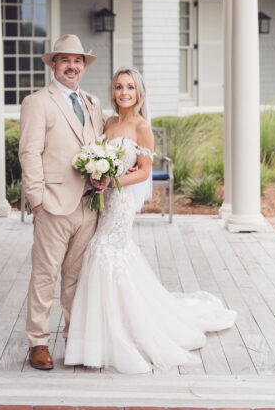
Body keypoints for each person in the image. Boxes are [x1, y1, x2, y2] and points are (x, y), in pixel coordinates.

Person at [64, 67, 237, 374]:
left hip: (121, 202)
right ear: (113, 91)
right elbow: (97, 155)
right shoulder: (110, 122)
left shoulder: (142, 127)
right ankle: (97, 336)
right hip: (101, 200)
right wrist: (96, 175)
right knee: (99, 252)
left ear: (139, 92)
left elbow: (143, 171)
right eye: (119, 87)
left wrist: (112, 180)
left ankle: (120, 335)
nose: (124, 92)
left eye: (130, 87)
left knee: (104, 252)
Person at [19, 34, 104, 371]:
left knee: (76, 277)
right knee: (45, 275)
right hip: (52, 204)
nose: (72, 66)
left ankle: (74, 339)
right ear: (53, 65)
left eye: (78, 61)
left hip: (89, 204)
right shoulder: (37, 102)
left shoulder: (93, 103)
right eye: (65, 60)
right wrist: (37, 199)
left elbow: (98, 150)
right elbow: (29, 152)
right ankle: (38, 342)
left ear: (83, 67)